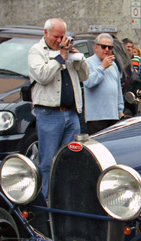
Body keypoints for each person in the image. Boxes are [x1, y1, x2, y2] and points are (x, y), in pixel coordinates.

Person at [27, 18, 89, 195]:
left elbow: (85, 76)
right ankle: (46, 200)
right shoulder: (36, 51)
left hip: (71, 114)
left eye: (63, 36)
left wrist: (78, 59)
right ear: (45, 33)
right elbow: (43, 76)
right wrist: (60, 57)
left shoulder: (67, 51)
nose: (60, 40)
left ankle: (66, 198)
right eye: (56, 36)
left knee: (70, 159)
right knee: (47, 162)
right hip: (49, 114)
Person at [83, 33, 124, 135]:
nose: (106, 50)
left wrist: (120, 109)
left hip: (113, 115)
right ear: (96, 47)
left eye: (110, 47)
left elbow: (118, 88)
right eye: (103, 47)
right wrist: (102, 67)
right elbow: (89, 82)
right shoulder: (87, 63)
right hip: (96, 117)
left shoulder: (113, 64)